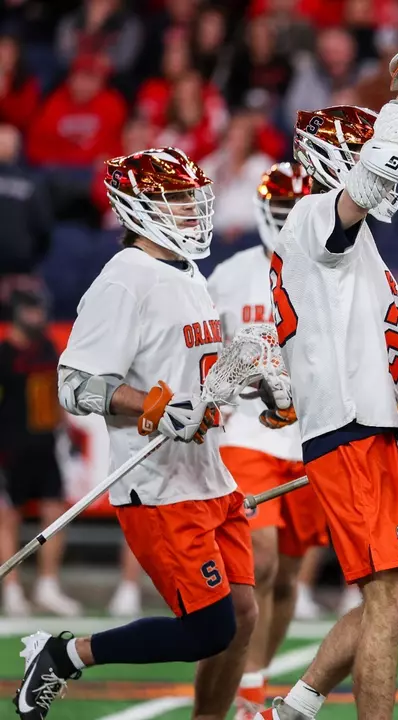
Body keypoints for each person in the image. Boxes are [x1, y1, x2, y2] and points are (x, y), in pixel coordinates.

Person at [257, 23, 398, 720]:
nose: (385, 166)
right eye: (360, 152)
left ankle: (295, 706)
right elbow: (378, 170)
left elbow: (391, 367)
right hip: (349, 433)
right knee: (388, 595)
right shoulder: (313, 216)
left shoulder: (355, 249)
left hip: (366, 425)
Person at [14, 147, 262, 720]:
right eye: (176, 199)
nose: (190, 209)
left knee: (243, 614)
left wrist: (254, 384)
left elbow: (198, 376)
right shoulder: (124, 280)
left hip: (208, 475)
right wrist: (155, 406)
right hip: (158, 485)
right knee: (208, 630)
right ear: (139, 206)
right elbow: (75, 383)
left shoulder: (188, 271)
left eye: (191, 198)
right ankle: (64, 655)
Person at [205, 162, 329, 719]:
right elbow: (203, 352)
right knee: (263, 561)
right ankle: (249, 695)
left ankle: (255, 677)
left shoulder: (331, 267)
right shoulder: (231, 275)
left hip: (310, 435)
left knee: (288, 577)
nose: (288, 221)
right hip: (248, 432)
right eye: (282, 211)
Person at [0, 286, 81, 618]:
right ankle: (11, 588)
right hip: (10, 450)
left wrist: (66, 428)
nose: (38, 316)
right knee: (9, 517)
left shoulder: (47, 347)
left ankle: (47, 585)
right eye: (31, 310)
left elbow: (54, 391)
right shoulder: (4, 355)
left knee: (55, 512)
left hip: (45, 446)